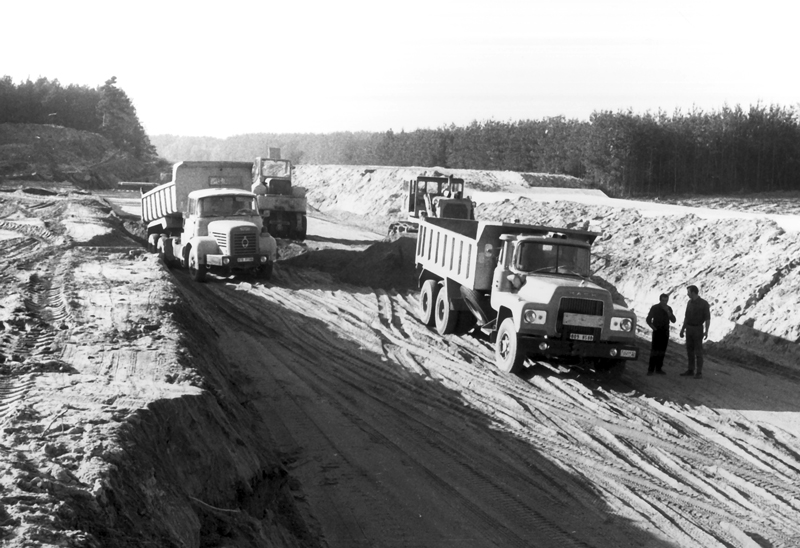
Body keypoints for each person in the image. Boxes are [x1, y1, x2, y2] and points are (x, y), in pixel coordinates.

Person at [679, 285, 711, 379]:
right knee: (689, 350)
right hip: (689, 328)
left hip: (698, 329)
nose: (687, 294)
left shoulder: (704, 304)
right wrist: (683, 329)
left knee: (698, 351)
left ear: (693, 292)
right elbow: (687, 317)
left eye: (688, 292)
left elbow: (707, 319)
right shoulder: (689, 303)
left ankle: (699, 372)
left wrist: (706, 331)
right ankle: (691, 370)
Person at [646, 293, 676, 375]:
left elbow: (673, 320)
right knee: (654, 350)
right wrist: (653, 328)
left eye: (666, 301)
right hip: (657, 331)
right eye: (663, 300)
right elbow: (648, 319)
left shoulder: (669, 308)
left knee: (662, 350)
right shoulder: (655, 308)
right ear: (660, 300)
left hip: (665, 332)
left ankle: (658, 368)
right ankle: (650, 369)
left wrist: (668, 312)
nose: (664, 302)